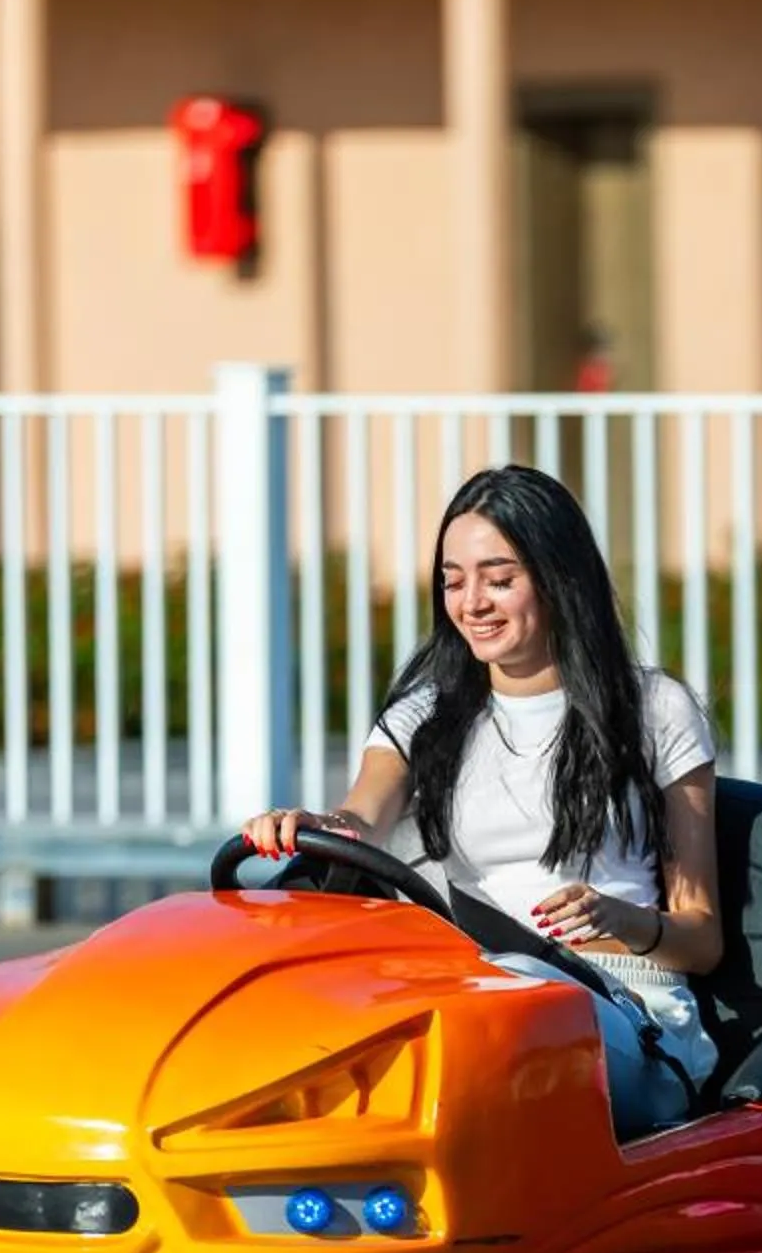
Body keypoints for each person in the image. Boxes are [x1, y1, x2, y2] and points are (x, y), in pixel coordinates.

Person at [242, 463, 722, 1138]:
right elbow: (362, 817)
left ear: (558, 580)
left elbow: (701, 940)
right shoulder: (424, 718)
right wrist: (315, 826)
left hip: (627, 1012)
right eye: (454, 581)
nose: (473, 603)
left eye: (500, 580)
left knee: (513, 1005)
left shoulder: (654, 710)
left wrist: (621, 918)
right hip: (468, 1003)